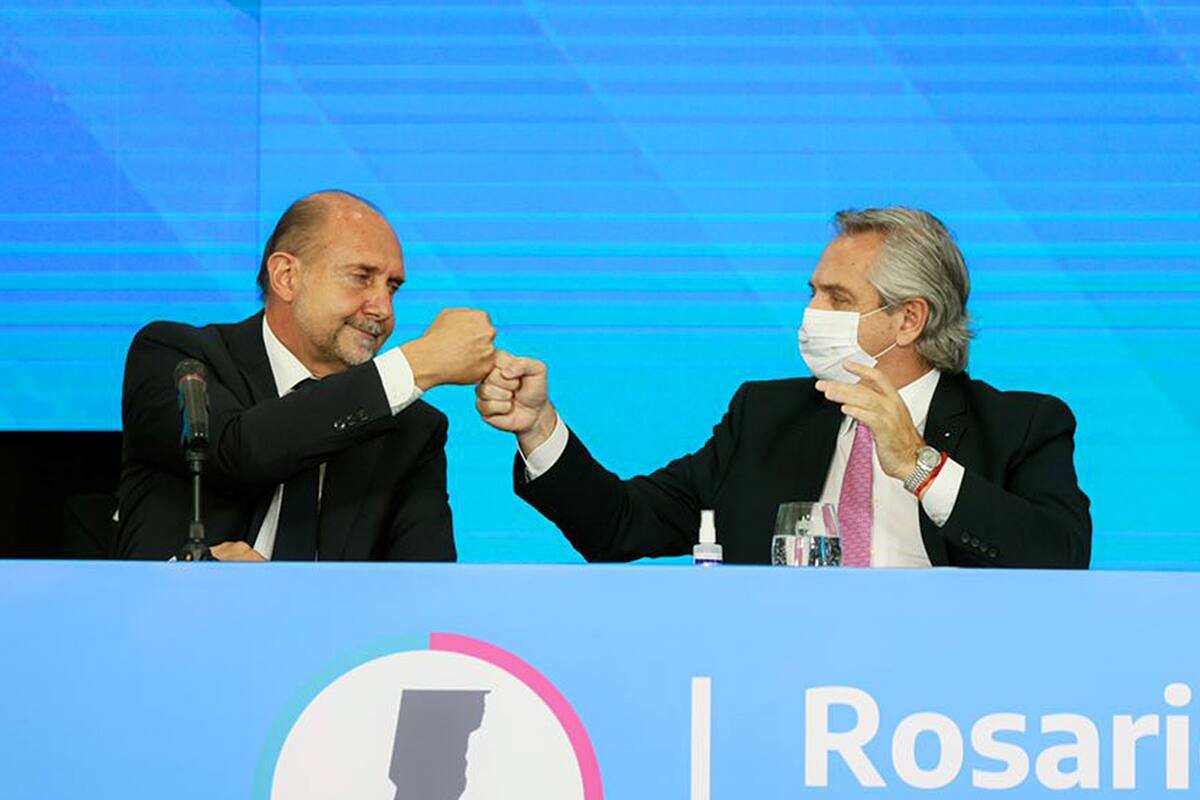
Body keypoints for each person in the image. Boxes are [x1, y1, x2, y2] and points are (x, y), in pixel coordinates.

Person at [476, 207, 1091, 568]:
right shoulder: (766, 416)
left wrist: (921, 466)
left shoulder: (1022, 426)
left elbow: (1060, 557)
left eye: (838, 299)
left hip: (945, 707)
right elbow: (619, 524)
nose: (812, 313)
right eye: (813, 293)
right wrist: (538, 428)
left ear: (909, 319)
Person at [117, 190, 496, 561]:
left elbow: (425, 593)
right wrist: (419, 363)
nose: (383, 309)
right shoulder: (179, 359)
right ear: (286, 276)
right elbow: (240, 450)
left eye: (392, 288)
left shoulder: (411, 429)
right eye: (362, 277)